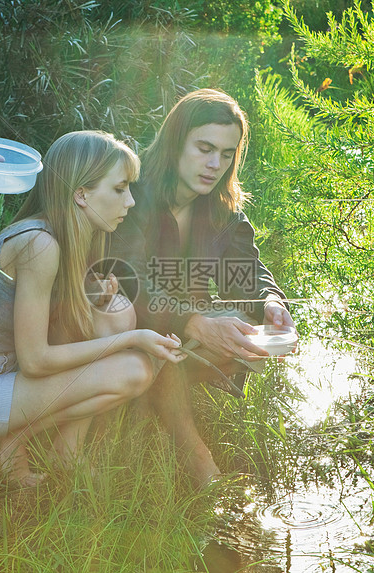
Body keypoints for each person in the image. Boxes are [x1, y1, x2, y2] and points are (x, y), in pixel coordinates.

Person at [0, 131, 185, 488]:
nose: (129, 201)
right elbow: (35, 360)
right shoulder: (39, 243)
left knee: (115, 310)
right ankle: (12, 439)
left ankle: (65, 452)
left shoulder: (60, 234)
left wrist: (90, 297)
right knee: (135, 370)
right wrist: (135, 337)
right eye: (119, 189)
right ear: (80, 194)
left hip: (6, 370)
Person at [110, 89, 295, 487]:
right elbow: (126, 277)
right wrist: (192, 321)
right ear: (177, 140)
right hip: (116, 322)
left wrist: (270, 303)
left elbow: (245, 271)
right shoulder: (133, 192)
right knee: (166, 339)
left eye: (227, 154)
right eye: (205, 148)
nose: (215, 164)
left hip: (175, 324)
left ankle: (149, 400)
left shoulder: (220, 205)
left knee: (247, 332)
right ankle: (199, 462)